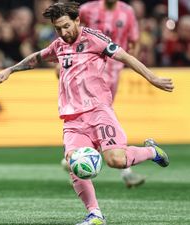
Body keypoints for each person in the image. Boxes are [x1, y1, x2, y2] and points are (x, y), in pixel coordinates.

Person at [0, 2, 173, 225]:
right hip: (72, 118)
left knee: (116, 160)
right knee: (74, 163)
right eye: (58, 28)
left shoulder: (94, 39)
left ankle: (151, 151)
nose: (63, 32)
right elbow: (37, 57)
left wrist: (152, 78)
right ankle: (95, 214)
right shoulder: (59, 45)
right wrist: (11, 69)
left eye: (66, 26)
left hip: (99, 111)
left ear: (77, 20)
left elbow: (126, 56)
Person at [60, 0, 145, 188]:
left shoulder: (127, 12)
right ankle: (125, 171)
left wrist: (129, 65)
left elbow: (134, 42)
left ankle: (76, 161)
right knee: (99, 114)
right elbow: (70, 36)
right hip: (88, 72)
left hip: (114, 72)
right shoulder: (87, 10)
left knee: (100, 117)